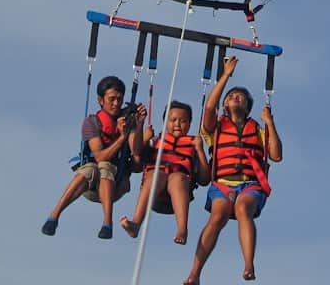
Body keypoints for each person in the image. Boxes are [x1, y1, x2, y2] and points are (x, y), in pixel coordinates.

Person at [184, 56, 282, 284]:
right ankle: (195, 273)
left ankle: (248, 265)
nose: (234, 97)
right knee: (217, 217)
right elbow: (210, 106)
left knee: (242, 209)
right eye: (230, 96)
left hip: (251, 184)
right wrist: (226, 75)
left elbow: (276, 155)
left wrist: (269, 123)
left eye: (240, 97)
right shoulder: (214, 128)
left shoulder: (256, 129)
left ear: (247, 106)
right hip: (222, 184)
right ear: (225, 105)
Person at [41, 75, 145, 239]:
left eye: (119, 99)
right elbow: (99, 156)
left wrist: (138, 126)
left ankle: (107, 223)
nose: (116, 103)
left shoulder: (128, 119)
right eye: (111, 99)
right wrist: (121, 138)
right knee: (91, 168)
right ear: (100, 100)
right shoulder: (92, 122)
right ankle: (54, 215)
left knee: (106, 168)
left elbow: (137, 153)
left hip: (117, 183)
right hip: (89, 185)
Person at [120, 100, 210, 245]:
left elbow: (205, 180)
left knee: (178, 177)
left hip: (178, 192)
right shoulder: (155, 140)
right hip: (155, 193)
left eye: (183, 121)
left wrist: (200, 150)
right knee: (157, 173)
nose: (177, 124)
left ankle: (182, 229)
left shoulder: (193, 145)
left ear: (189, 124)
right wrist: (141, 129)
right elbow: (136, 152)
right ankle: (136, 223)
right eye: (173, 120)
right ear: (165, 122)